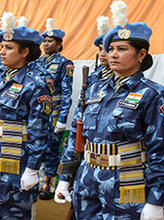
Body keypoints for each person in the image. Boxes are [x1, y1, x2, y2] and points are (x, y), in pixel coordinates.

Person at [55, 1, 164, 219]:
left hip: (126, 182)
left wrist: (157, 200)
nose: (113, 54)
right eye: (111, 49)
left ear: (141, 54)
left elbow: (159, 150)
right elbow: (78, 135)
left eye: (122, 49)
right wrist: (65, 177)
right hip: (87, 179)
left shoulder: (153, 94)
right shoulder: (94, 89)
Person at [0, 13, 51, 219]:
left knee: (14, 211)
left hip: (14, 155)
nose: (2, 52)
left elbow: (39, 131)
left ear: (25, 52)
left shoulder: (36, 84)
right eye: (2, 47)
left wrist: (32, 168)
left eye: (8, 48)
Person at [35, 18, 74, 200]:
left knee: (51, 149)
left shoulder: (65, 64)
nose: (46, 44)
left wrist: (63, 119)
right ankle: (37, 180)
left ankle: (48, 185)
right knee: (36, 146)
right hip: (38, 113)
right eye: (44, 41)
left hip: (54, 113)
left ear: (59, 45)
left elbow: (67, 93)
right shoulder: (37, 63)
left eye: (50, 41)